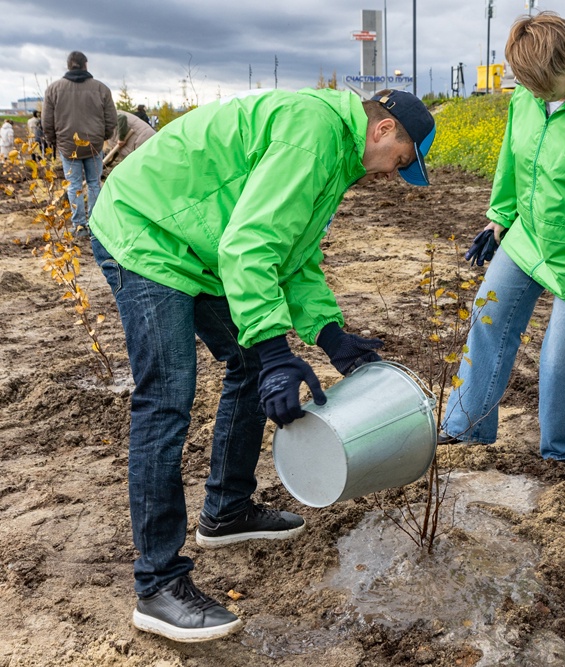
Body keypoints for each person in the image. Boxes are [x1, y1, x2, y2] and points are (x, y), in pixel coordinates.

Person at [88, 86, 435, 642]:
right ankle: (157, 586)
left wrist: (330, 336)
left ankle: (226, 510)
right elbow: (250, 246)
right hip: (148, 232)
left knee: (248, 366)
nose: (396, 172)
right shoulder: (314, 133)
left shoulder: (336, 153)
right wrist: (276, 351)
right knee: (167, 400)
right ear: (384, 130)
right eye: (403, 159)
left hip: (196, 245)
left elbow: (291, 257)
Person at [439, 11, 565, 471]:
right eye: (526, 86)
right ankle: (467, 427)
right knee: (487, 318)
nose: (533, 95)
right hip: (528, 237)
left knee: (559, 359)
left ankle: (558, 456)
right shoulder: (527, 99)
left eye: (541, 86)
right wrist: (499, 219)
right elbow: (512, 160)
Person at [43, 51, 116, 232]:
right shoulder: (101, 89)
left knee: (74, 185)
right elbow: (111, 119)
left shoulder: (53, 89)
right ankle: (95, 224)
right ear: (86, 65)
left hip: (68, 146)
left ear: (68, 65)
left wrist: (53, 140)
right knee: (94, 183)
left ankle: (79, 225)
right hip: (94, 145)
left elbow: (47, 121)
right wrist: (103, 137)